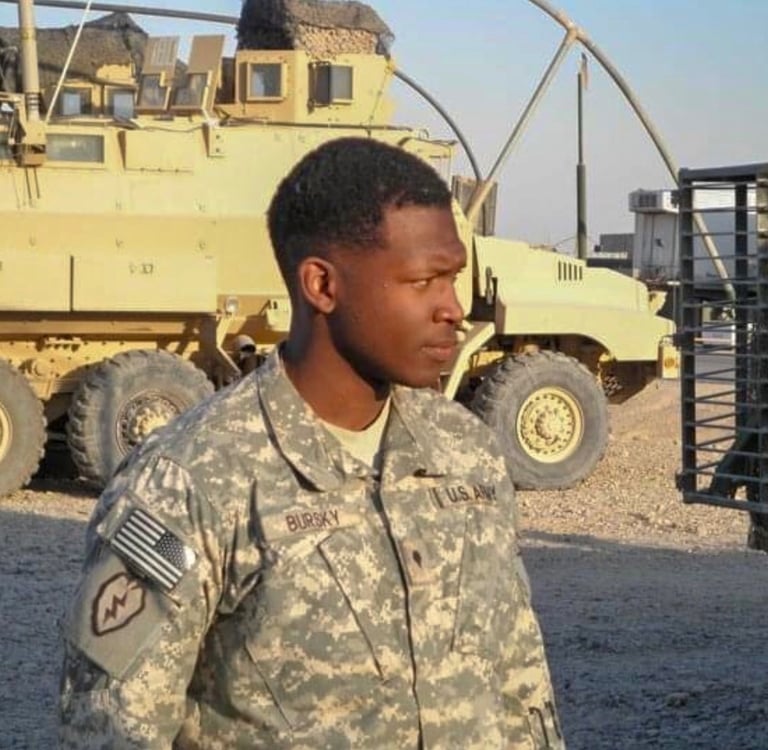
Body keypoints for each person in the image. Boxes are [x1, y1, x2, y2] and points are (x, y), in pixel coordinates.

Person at [59, 136, 565, 748]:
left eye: (453, 278)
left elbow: (519, 682)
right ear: (322, 286)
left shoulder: (465, 451)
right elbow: (115, 727)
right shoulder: (188, 483)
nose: (453, 308)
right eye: (424, 280)